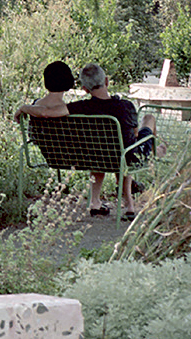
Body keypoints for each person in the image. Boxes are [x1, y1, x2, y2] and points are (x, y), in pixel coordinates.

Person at [68, 62, 163, 220]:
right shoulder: (125, 106)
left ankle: (95, 202)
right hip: (127, 157)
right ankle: (156, 153)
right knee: (148, 119)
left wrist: (25, 108)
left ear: (85, 89)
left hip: (96, 157)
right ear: (106, 81)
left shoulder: (79, 108)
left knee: (104, 148)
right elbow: (133, 136)